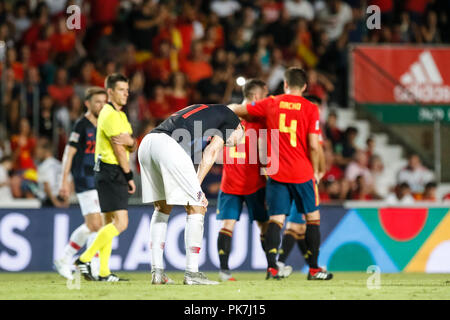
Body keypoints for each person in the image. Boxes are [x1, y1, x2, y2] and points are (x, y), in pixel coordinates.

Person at [229, 67, 333, 280]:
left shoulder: (271, 103)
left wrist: (223, 110)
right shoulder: (311, 108)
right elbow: (314, 145)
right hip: (302, 173)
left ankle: (272, 268)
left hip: (276, 173)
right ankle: (314, 269)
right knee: (312, 219)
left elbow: (239, 109)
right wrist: (317, 170)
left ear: (285, 84)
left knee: (276, 220)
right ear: (304, 87)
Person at [138, 104, 244, 285]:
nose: (228, 144)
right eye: (232, 142)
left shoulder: (205, 110)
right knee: (198, 205)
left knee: (162, 208)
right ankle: (192, 273)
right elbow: (210, 152)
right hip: (167, 145)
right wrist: (197, 186)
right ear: (240, 128)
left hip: (148, 143)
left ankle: (157, 272)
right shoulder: (232, 120)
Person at [74, 74, 137, 282]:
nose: (126, 93)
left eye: (127, 90)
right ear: (110, 92)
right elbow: (121, 148)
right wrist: (129, 175)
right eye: (121, 90)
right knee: (121, 223)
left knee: (109, 221)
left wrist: (131, 141)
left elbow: (131, 142)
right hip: (111, 171)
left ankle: (103, 272)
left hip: (108, 172)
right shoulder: (110, 114)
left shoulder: (121, 115)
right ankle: (84, 259)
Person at [216, 79, 270, 282]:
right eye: (264, 96)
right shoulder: (260, 121)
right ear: (257, 96)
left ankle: (223, 271)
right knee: (264, 225)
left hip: (230, 181)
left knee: (227, 225)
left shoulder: (227, 118)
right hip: (255, 182)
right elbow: (266, 154)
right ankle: (272, 268)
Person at [53, 87, 107, 281]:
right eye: (97, 102)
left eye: (103, 101)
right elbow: (69, 153)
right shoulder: (81, 125)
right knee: (95, 223)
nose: (101, 105)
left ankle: (89, 265)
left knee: (97, 224)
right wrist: (64, 181)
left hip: (99, 178)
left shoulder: (103, 124)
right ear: (88, 103)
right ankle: (67, 258)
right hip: (84, 178)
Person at [276, 95, 326, 277]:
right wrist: (319, 170)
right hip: (304, 177)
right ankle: (281, 264)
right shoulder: (310, 123)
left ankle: (311, 265)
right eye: (317, 107)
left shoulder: (298, 121)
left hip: (292, 173)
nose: (318, 111)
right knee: (297, 226)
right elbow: (316, 148)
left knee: (300, 227)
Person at [35, 138, 68, 208]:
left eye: (38, 150)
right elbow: (69, 182)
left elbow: (46, 186)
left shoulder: (43, 166)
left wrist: (55, 203)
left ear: (45, 150)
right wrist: (66, 201)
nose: (36, 153)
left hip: (49, 202)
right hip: (62, 199)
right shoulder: (60, 165)